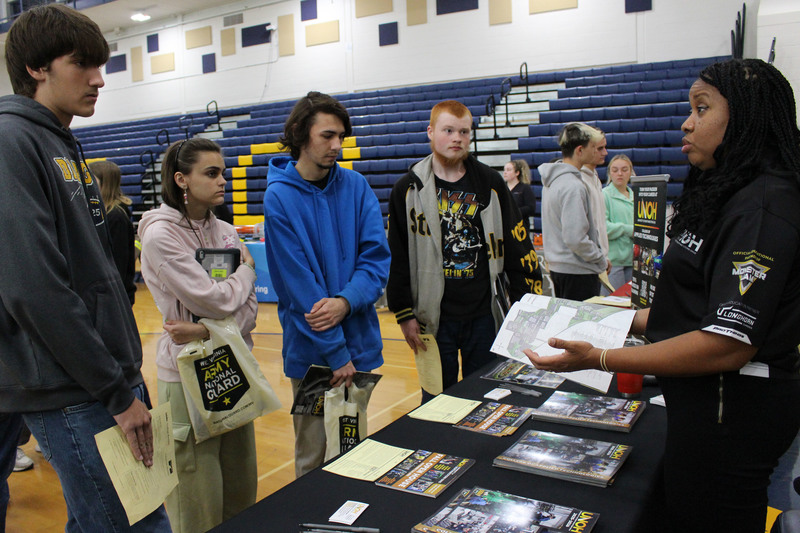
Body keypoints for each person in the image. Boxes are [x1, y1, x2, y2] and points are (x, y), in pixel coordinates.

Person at [525, 58, 800, 533]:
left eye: (702, 108)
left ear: (747, 116)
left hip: (733, 417)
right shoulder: (731, 190)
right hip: (704, 412)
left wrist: (601, 357)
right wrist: (612, 318)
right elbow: (693, 310)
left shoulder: (762, 204)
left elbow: (728, 341)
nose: (687, 122)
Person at [0, 4, 171, 531]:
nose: (99, 79)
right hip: (73, 390)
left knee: (100, 521)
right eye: (83, 64)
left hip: (103, 381)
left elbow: (94, 276)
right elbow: (35, 288)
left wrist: (125, 377)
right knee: (138, 525)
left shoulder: (61, 139)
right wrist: (116, 391)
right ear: (36, 68)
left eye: (101, 65)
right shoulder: (12, 142)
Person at [262, 91, 390, 477]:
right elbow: (300, 288)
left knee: (352, 456)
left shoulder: (357, 187)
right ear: (301, 134)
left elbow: (376, 259)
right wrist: (337, 356)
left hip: (361, 350)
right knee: (313, 459)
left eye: (341, 137)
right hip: (314, 360)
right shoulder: (278, 197)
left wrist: (347, 301)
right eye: (327, 136)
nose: (337, 146)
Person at [138, 138, 258, 532]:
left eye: (223, 171)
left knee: (241, 494)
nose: (223, 180)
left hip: (234, 369)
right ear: (181, 180)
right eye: (212, 173)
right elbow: (216, 298)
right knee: (197, 503)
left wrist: (204, 329)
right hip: (187, 379)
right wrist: (246, 273)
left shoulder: (225, 229)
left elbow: (249, 310)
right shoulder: (160, 236)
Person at [387, 100, 542, 403]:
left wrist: (526, 305)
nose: (456, 138)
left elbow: (517, 245)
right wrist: (403, 312)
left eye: (464, 131)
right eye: (448, 130)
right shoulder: (407, 189)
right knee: (435, 401)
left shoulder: (492, 184)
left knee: (487, 397)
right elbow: (398, 255)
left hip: (484, 316)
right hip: (432, 319)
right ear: (431, 133)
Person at [538, 123, 611, 301]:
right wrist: (600, 260)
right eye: (593, 147)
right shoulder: (573, 186)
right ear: (580, 150)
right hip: (578, 272)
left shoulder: (552, 181)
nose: (598, 152)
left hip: (560, 268)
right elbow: (575, 238)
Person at [89, 160, 137, 305]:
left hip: (115, 295)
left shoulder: (116, 216)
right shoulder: (100, 212)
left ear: (106, 183)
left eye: (92, 180)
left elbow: (118, 262)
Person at [602, 154, 635, 293]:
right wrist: (629, 229)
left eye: (624, 169)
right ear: (610, 173)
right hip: (613, 262)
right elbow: (603, 227)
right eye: (615, 170)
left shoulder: (636, 195)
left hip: (633, 260)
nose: (620, 173)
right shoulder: (604, 195)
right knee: (613, 304)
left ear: (631, 172)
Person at [580, 128, 609, 263]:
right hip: (586, 262)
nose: (605, 153)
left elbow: (599, 222)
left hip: (598, 257)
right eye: (600, 148)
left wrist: (603, 254)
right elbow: (580, 231)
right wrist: (596, 256)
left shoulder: (595, 177)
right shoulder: (579, 180)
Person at [503, 159, 537, 231]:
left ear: (517, 173)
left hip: (520, 226)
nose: (505, 172)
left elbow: (531, 208)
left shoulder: (525, 188)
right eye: (504, 170)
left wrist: (514, 212)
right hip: (506, 226)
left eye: (508, 170)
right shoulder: (502, 188)